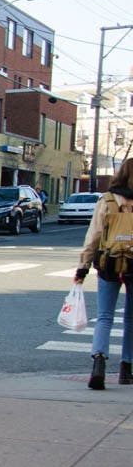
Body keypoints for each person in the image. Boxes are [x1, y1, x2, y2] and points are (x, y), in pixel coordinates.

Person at [75, 158, 133, 389]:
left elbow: (94, 236)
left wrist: (83, 267)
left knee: (105, 316)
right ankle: (127, 368)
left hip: (108, 263)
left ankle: (99, 363)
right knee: (131, 319)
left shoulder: (107, 200)